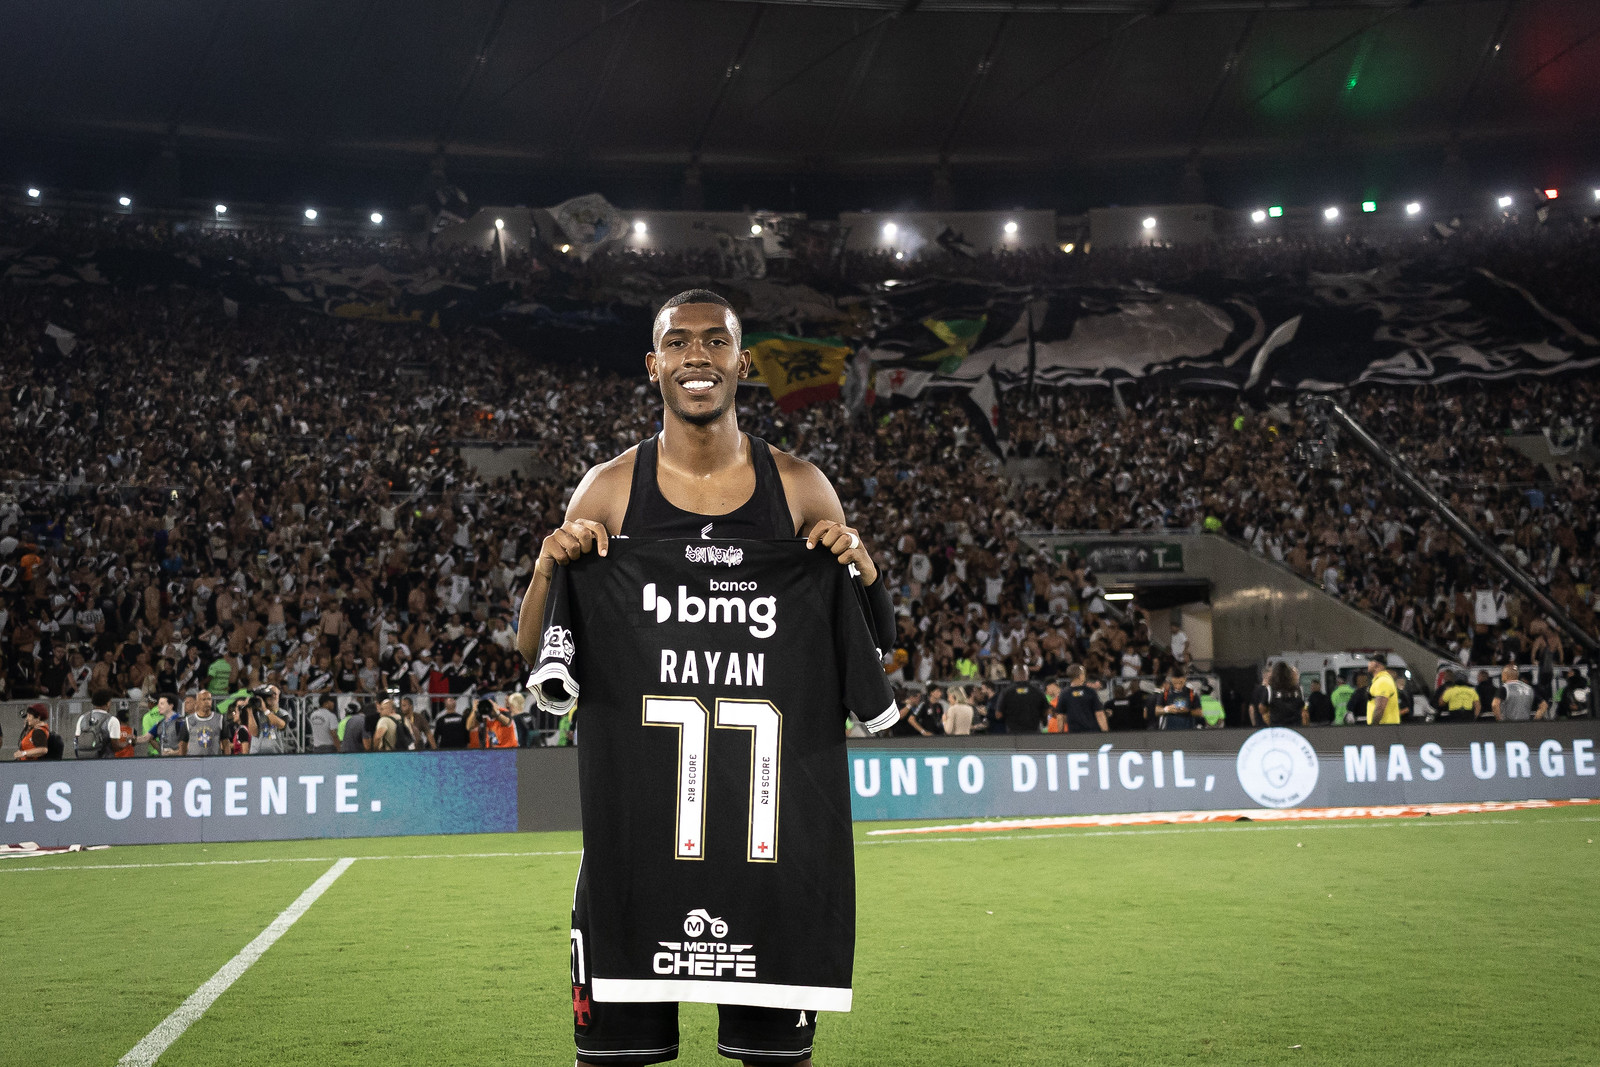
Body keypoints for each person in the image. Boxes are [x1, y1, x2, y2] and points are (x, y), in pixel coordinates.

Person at [514, 289, 897, 1067]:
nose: (698, 355)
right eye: (679, 342)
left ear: (742, 362)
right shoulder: (609, 489)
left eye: (716, 341)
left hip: (771, 851)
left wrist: (861, 564)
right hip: (634, 848)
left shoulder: (801, 486)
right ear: (653, 365)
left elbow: (873, 640)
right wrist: (548, 566)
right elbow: (537, 653)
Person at [994, 669, 1052, 734]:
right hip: (1033, 732)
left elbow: (998, 715)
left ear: (1014, 676)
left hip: (1013, 733)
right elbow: (1047, 711)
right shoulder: (1037, 690)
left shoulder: (1006, 692)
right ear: (1027, 675)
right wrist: (1042, 718)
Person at [73, 689, 122, 760]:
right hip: (104, 762)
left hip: (83, 759)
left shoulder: (82, 718)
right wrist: (128, 742)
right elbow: (115, 747)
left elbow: (77, 739)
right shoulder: (112, 720)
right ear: (108, 703)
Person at [1056, 666, 1107, 733]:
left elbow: (1060, 716)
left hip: (1074, 733)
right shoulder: (1090, 692)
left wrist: (1060, 733)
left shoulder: (1064, 693)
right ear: (1080, 676)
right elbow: (1099, 714)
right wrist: (1105, 732)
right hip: (1092, 732)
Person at [180, 690, 226, 756]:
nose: (207, 702)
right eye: (203, 699)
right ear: (197, 702)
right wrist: (182, 760)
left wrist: (228, 759)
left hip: (214, 759)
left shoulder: (219, 719)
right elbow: (183, 744)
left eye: (209, 699)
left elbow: (226, 743)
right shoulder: (188, 720)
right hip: (194, 759)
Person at [1264, 662, 1307, 727]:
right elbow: (1303, 709)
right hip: (1295, 726)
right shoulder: (1298, 690)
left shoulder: (1270, 689)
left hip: (1278, 727)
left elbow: (1263, 710)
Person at [1365, 654, 1400, 726]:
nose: (1368, 664)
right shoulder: (1379, 680)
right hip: (1384, 727)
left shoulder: (1382, 681)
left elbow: (1379, 708)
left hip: (1384, 727)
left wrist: (1373, 728)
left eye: (1370, 661)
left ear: (1376, 664)